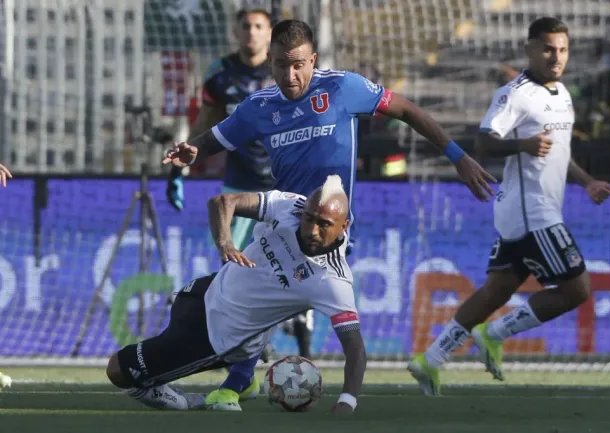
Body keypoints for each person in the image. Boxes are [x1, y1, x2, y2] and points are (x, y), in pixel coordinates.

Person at [162, 18, 495, 405]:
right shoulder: (258, 108)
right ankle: (240, 378)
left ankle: (242, 381)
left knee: (268, 298)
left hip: (326, 229)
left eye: (299, 63)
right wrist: (193, 150)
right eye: (282, 64)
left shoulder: (341, 88)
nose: (291, 74)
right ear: (269, 62)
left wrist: (458, 157)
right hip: (280, 218)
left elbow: (407, 111)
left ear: (313, 60)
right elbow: (216, 137)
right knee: (256, 297)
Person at [407, 17, 610, 396]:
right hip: (531, 210)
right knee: (578, 290)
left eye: (563, 50)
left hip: (529, 209)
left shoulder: (563, 94)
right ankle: (497, 332)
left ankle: (431, 359)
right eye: (549, 48)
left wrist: (587, 183)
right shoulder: (514, 94)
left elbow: (559, 154)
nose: (556, 57)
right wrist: (521, 145)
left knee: (496, 291)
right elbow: (484, 141)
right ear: (530, 48)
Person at [106, 175, 365, 414]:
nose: (311, 230)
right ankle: (246, 370)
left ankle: (184, 401)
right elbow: (223, 201)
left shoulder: (333, 280)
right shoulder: (290, 206)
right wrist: (226, 243)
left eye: (324, 225)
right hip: (202, 292)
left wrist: (347, 402)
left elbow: (355, 349)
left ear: (345, 225)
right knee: (160, 347)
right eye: (309, 218)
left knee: (120, 369)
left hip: (214, 337)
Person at [166, 8, 314, 363]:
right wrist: (184, 166)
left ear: (270, 33)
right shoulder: (221, 74)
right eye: (245, 26)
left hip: (286, 187)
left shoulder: (287, 70)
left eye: (259, 26)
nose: (251, 32)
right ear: (236, 31)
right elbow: (207, 122)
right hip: (241, 188)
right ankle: (244, 350)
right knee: (234, 270)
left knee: (299, 268)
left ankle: (306, 356)